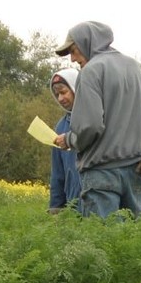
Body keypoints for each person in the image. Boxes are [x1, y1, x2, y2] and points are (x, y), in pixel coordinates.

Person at [52, 21, 141, 219]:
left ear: (87, 42)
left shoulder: (91, 71)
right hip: (137, 167)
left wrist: (69, 140)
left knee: (104, 242)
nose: (73, 59)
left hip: (102, 171)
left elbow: (89, 126)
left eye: (74, 50)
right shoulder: (135, 67)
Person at [47, 68, 81, 214]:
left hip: (99, 202)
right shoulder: (60, 127)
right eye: (57, 94)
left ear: (76, 88)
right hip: (72, 205)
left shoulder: (98, 119)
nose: (60, 98)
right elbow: (57, 173)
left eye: (63, 92)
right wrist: (56, 208)